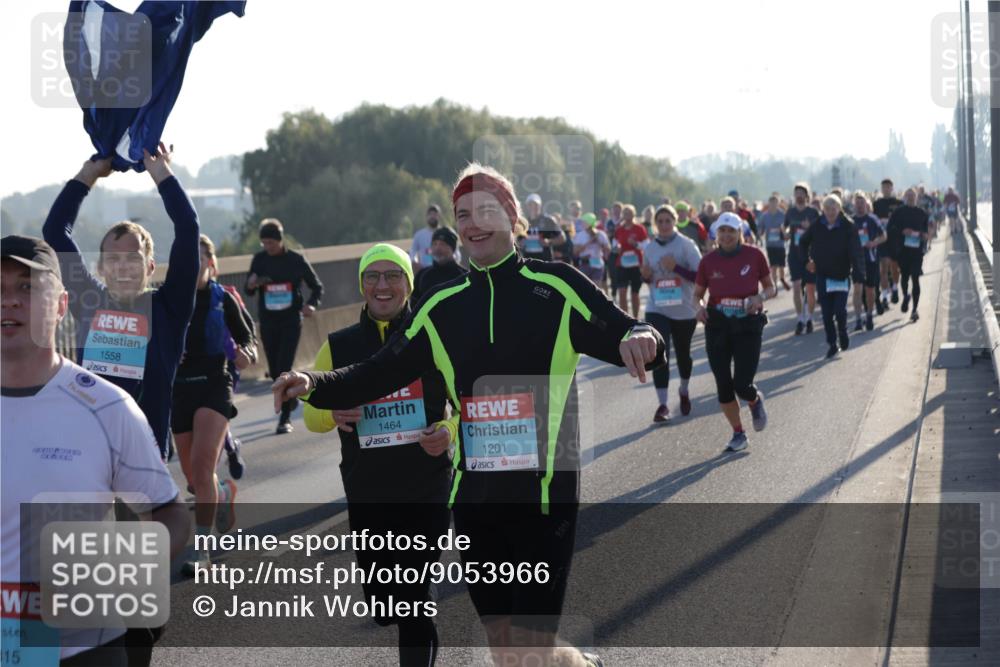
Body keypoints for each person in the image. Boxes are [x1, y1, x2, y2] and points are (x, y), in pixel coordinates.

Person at [273, 163, 664, 667]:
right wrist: (313, 383)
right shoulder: (439, 304)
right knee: (506, 648)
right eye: (463, 214)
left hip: (544, 497)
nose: (473, 223)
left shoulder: (558, 286)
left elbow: (623, 330)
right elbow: (377, 372)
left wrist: (641, 336)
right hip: (477, 500)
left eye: (485, 211)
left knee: (528, 649)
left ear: (513, 219)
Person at [1, 235, 189, 666]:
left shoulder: (106, 406)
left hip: (87, 648)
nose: (9, 301)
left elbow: (171, 513)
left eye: (28, 288)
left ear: (62, 305)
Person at [303, 243, 456, 667]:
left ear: (409, 284)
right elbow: (310, 415)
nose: (382, 285)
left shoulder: (432, 337)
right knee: (387, 606)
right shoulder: (340, 345)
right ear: (362, 285)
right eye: (373, 276)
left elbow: (464, 405)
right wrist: (332, 412)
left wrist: (447, 431)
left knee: (415, 601)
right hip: (368, 488)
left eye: (393, 276)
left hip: (426, 483)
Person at [42, 145, 199, 461]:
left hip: (145, 452)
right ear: (100, 268)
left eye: (133, 259)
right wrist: (89, 175)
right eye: (112, 259)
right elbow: (55, 231)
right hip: (89, 446)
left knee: (141, 513)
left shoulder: (169, 308)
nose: (123, 267)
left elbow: (187, 229)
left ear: (150, 267)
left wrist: (161, 174)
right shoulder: (89, 300)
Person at [173, 235, 256, 575]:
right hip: (178, 387)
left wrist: (246, 353)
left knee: (203, 464)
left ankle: (201, 550)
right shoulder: (168, 298)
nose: (193, 264)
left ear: (210, 262)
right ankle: (221, 491)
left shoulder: (223, 299)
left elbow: (247, 336)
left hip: (214, 383)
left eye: (199, 257)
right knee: (193, 478)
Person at [693, 213, 775, 452]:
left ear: (740, 233)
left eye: (731, 231)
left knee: (742, 383)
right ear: (716, 234)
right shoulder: (708, 261)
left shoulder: (755, 255)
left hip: (747, 324)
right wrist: (698, 308)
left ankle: (754, 399)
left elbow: (771, 287)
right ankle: (738, 433)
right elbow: (696, 295)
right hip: (717, 324)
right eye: (722, 231)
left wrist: (759, 297)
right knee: (723, 384)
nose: (726, 236)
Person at [245, 218, 324, 434]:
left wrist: (311, 305)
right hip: (268, 321)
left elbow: (317, 287)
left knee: (283, 367)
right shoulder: (259, 260)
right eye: (264, 243)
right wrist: (251, 284)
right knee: (273, 370)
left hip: (291, 321)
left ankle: (284, 419)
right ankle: (290, 401)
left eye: (271, 242)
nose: (267, 247)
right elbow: (249, 289)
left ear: (280, 241)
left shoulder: (296, 260)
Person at [640, 205, 701, 422]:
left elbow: (700, 276)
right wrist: (645, 276)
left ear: (675, 221)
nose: (664, 225)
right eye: (660, 221)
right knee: (659, 353)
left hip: (684, 309)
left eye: (668, 220)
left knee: (683, 354)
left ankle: (683, 389)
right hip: (657, 308)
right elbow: (647, 276)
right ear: (656, 224)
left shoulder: (686, 245)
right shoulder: (649, 248)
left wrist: (677, 268)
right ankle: (663, 405)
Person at [799, 195, 866, 359]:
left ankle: (842, 332)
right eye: (827, 209)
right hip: (823, 275)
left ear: (839, 209)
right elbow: (802, 242)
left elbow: (856, 251)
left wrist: (859, 272)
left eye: (833, 209)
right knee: (827, 314)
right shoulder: (817, 225)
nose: (830, 212)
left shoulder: (848, 226)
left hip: (842, 275)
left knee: (840, 310)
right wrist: (806, 261)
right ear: (823, 210)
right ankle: (832, 344)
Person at [888, 188, 930, 323]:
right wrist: (902, 231)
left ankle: (914, 310)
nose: (911, 198)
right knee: (904, 277)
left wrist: (924, 236)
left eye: (913, 196)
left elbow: (926, 232)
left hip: (917, 252)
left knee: (916, 278)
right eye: (909, 195)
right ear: (905, 197)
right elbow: (890, 228)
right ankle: (906, 296)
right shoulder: (899, 212)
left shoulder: (922, 213)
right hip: (903, 251)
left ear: (916, 197)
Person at [785, 182, 819, 335]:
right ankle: (800, 319)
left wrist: (809, 227)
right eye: (796, 193)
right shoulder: (790, 212)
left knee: (810, 290)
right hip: (794, 254)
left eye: (801, 193)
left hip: (810, 255)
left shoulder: (813, 212)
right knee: (797, 287)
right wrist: (785, 233)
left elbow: (820, 231)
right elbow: (785, 228)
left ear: (806, 195)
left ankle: (810, 317)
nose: (799, 196)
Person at [850, 192, 886, 332]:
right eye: (857, 203)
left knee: (870, 290)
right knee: (857, 290)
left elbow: (884, 236)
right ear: (854, 204)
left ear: (866, 204)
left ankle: (869, 315)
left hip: (871, 259)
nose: (859, 205)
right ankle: (859, 320)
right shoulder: (850, 221)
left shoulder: (872, 219)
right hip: (857, 261)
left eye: (862, 202)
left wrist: (874, 242)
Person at [412, 226, 468, 303]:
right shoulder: (422, 275)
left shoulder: (464, 276)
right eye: (435, 244)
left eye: (442, 244)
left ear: (452, 248)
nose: (437, 248)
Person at [873, 178, 903, 309]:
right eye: (883, 187)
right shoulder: (877, 204)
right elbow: (873, 220)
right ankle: (885, 295)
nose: (885, 189)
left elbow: (903, 219)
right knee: (883, 268)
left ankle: (895, 287)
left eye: (888, 187)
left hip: (895, 239)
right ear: (881, 189)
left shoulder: (898, 203)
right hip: (882, 239)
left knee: (894, 267)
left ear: (892, 188)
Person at [614, 204, 649, 318]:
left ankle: (635, 318)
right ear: (622, 215)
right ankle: (626, 319)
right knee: (622, 293)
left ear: (634, 214)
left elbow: (646, 245)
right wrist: (617, 248)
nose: (627, 215)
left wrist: (636, 244)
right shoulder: (619, 229)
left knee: (635, 294)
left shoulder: (639, 228)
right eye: (625, 213)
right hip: (622, 264)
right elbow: (614, 245)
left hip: (636, 264)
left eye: (629, 213)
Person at [410, 204, 461, 270]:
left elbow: (456, 253)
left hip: (445, 270)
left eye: (435, 214)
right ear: (426, 217)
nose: (432, 216)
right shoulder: (419, 235)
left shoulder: (447, 233)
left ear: (439, 216)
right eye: (430, 214)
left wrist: (453, 263)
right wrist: (415, 262)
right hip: (426, 271)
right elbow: (413, 251)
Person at [518, 193, 565, 261]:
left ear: (540, 206)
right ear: (527, 206)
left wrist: (549, 242)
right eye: (530, 204)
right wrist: (520, 244)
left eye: (536, 205)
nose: (533, 207)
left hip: (545, 261)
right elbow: (517, 241)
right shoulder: (523, 222)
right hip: (527, 261)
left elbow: (562, 238)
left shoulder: (548, 220)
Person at [758, 194, 790, 290]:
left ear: (778, 203)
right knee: (773, 265)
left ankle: (782, 278)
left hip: (780, 243)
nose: (773, 205)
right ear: (769, 203)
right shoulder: (765, 216)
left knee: (781, 264)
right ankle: (775, 284)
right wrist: (760, 233)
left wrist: (785, 232)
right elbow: (761, 228)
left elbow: (788, 227)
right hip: (770, 244)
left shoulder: (782, 215)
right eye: (771, 203)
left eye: (775, 203)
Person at [573, 213, 611, 290]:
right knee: (584, 288)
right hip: (584, 264)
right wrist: (590, 242)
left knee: (596, 289)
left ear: (589, 223)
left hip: (598, 264)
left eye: (584, 222)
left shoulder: (600, 234)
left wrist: (599, 242)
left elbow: (608, 249)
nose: (582, 224)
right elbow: (575, 252)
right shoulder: (579, 235)